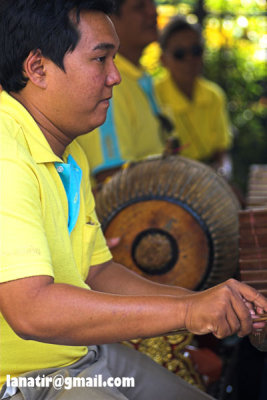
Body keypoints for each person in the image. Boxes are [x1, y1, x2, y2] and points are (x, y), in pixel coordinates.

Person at [0, 1, 267, 400]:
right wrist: (188, 313)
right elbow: (30, 310)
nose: (114, 77)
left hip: (79, 356)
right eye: (101, 59)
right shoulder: (6, 150)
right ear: (37, 68)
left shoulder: (68, 153)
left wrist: (208, 303)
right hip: (26, 378)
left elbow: (99, 274)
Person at [76, 0, 172, 185]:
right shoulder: (108, 83)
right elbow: (113, 181)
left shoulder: (141, 78)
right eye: (139, 7)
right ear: (109, 19)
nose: (153, 12)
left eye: (152, 4)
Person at [155, 16, 233, 179]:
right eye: (179, 54)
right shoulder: (153, 95)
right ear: (163, 60)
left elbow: (221, 153)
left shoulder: (214, 96)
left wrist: (223, 173)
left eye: (196, 51)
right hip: (167, 181)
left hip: (208, 180)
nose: (190, 59)